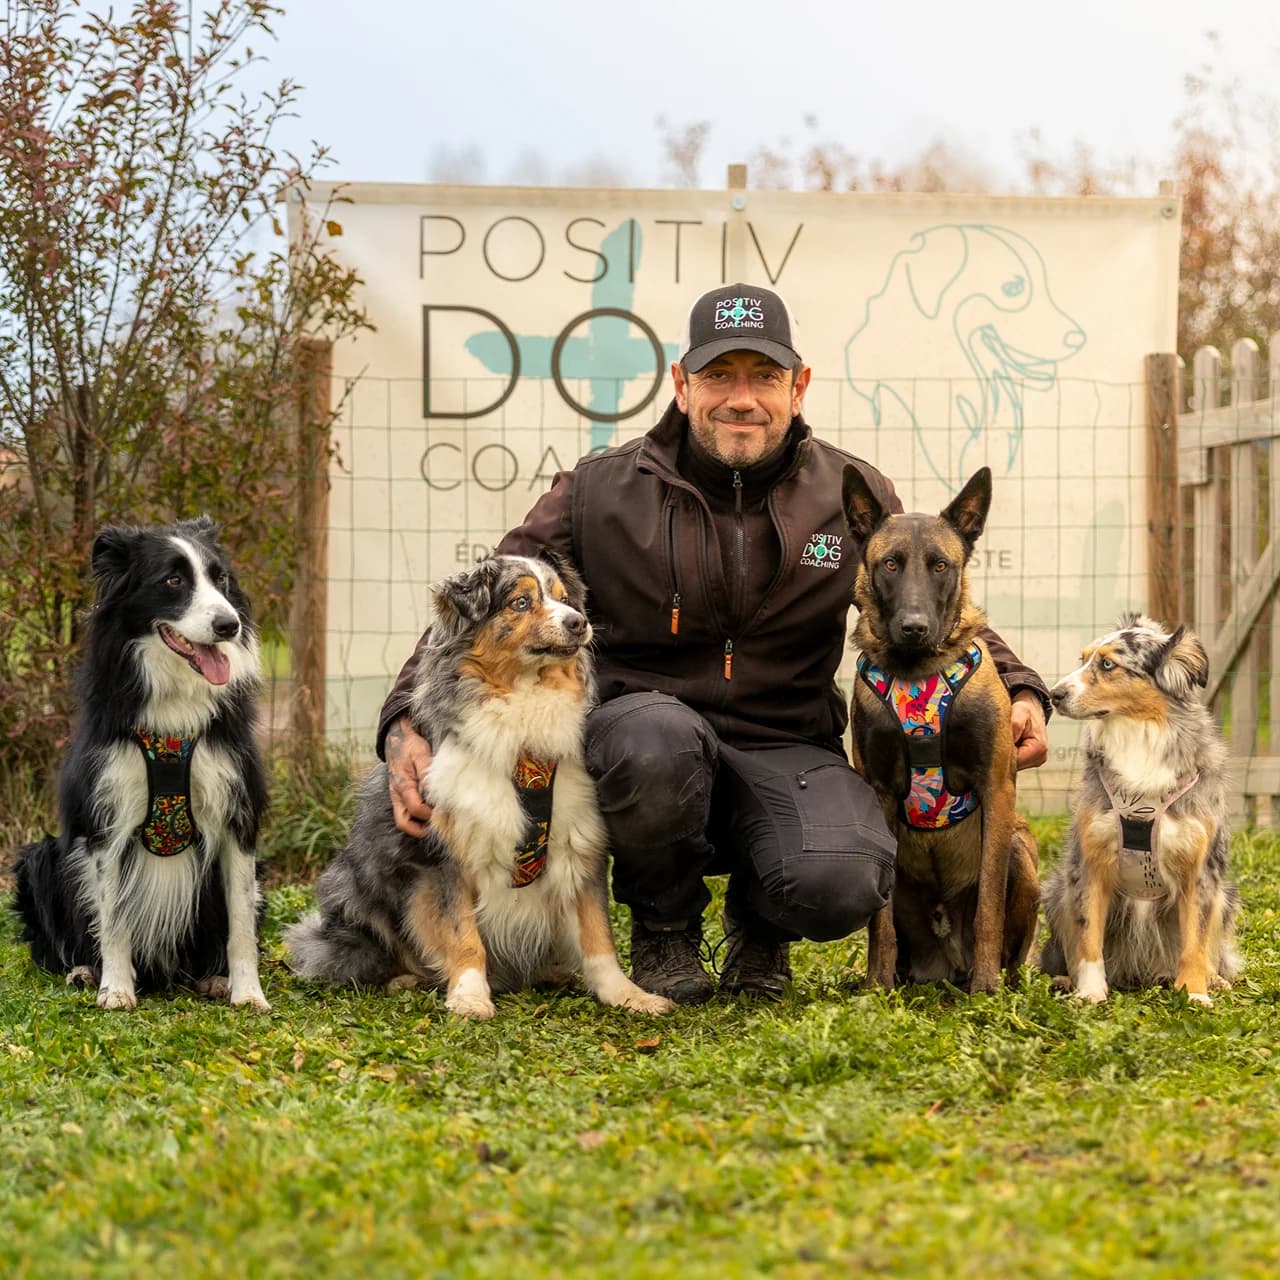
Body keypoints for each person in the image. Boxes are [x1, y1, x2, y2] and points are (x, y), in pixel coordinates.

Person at [376, 283, 1050, 1005]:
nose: (741, 398)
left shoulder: (849, 492)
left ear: (799, 387)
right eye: (718, 375)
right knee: (651, 743)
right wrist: (403, 726)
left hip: (788, 743)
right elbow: (479, 605)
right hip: (650, 736)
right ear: (681, 384)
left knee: (844, 875)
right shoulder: (598, 491)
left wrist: (1020, 686)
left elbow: (926, 592)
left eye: (763, 375)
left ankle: (763, 932)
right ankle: (664, 932)